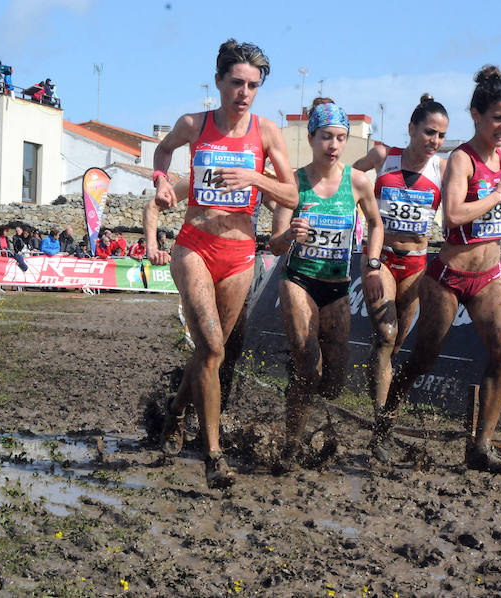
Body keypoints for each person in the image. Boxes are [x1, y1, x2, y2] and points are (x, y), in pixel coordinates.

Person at [143, 39, 298, 488]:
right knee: (211, 347)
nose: (244, 93)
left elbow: (291, 195)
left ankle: (175, 412)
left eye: (253, 85)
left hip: (240, 256)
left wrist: (254, 177)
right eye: (236, 83)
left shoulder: (267, 133)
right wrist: (160, 182)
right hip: (195, 245)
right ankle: (213, 456)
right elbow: (163, 152)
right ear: (219, 82)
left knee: (211, 351)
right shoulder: (195, 124)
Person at [372, 66, 501, 473]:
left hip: (489, 277)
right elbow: (454, 215)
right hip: (448, 277)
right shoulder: (460, 158)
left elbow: (493, 193)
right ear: (476, 116)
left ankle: (481, 447)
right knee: (422, 359)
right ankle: (383, 426)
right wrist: (500, 194)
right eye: (498, 118)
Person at [268, 99, 383, 472]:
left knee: (332, 381)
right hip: (299, 279)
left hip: (337, 284)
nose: (333, 145)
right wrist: (290, 233)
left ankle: (297, 397)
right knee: (308, 364)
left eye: (340, 138)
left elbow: (376, 225)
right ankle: (290, 445)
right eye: (326, 137)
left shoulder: (358, 181)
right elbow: (274, 244)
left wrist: (374, 263)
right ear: (312, 138)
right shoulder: (294, 183)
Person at [352, 95, 450, 435]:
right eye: (428, 132)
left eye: (440, 136)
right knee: (385, 334)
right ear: (411, 128)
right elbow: (348, 176)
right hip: (380, 258)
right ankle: (382, 427)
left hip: (417, 264)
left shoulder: (443, 168)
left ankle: (385, 417)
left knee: (394, 346)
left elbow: (474, 193)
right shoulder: (384, 156)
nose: (434, 142)